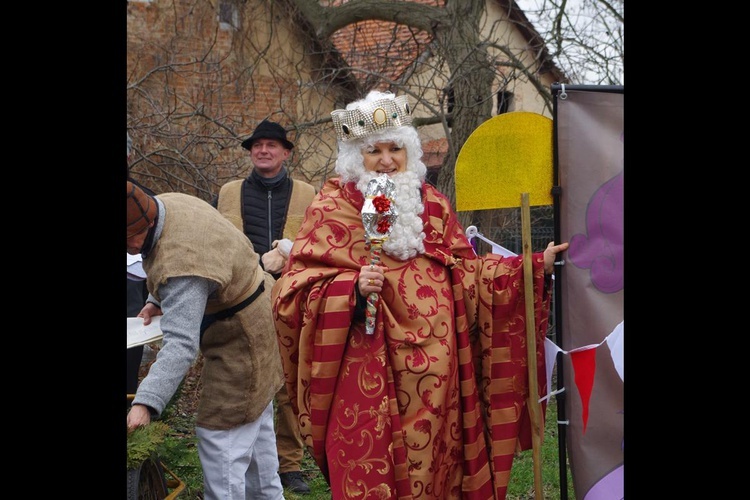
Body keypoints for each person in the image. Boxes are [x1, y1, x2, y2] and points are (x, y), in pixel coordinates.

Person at [271, 90, 569, 499]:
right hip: (370, 370)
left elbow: (467, 273)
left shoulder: (433, 204)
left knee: (440, 472)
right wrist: (351, 290)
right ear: (357, 157)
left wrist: (531, 268)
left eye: (396, 148)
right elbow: (293, 292)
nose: (387, 160)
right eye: (374, 150)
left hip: (443, 373)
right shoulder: (332, 206)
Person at [126, 180, 285, 499]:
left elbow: (181, 346)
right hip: (260, 312)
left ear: (148, 223)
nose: (128, 249)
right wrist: (156, 301)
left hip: (243, 338)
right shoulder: (167, 203)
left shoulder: (183, 266)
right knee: (257, 444)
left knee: (222, 444)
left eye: (129, 240)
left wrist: (145, 403)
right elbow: (194, 257)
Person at [212, 119, 315, 495]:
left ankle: (288, 465)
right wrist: (259, 265)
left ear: (286, 153)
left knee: (288, 382)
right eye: (257, 145)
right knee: (243, 379)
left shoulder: (309, 193)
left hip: (292, 297)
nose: (263, 150)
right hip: (239, 302)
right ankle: (243, 461)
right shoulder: (227, 193)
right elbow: (212, 245)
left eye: (272, 145)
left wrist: (287, 258)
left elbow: (323, 244)